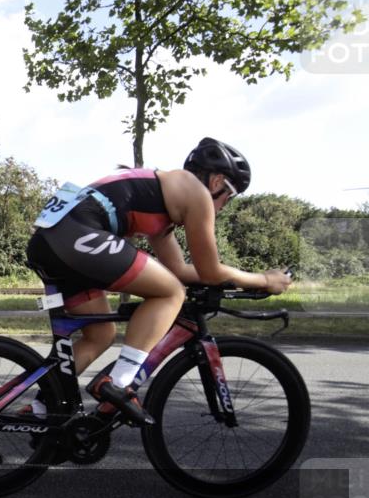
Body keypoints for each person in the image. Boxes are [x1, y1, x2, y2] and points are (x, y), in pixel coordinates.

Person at [24, 137, 292, 425]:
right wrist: (264, 279)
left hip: (56, 241)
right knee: (170, 293)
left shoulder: (163, 203)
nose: (225, 206)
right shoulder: (195, 193)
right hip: (75, 234)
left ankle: (41, 406)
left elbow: (180, 268)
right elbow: (209, 271)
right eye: (230, 196)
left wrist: (236, 279)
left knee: (100, 335)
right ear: (217, 183)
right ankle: (119, 382)